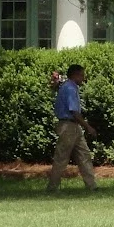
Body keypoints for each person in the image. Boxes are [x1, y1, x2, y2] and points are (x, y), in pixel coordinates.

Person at [46, 64, 98, 193]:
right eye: (81, 75)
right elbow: (74, 111)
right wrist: (88, 127)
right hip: (68, 126)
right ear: (75, 75)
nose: (83, 78)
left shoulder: (67, 86)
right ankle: (52, 187)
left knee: (84, 154)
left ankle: (92, 185)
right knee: (62, 157)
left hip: (73, 126)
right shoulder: (70, 88)